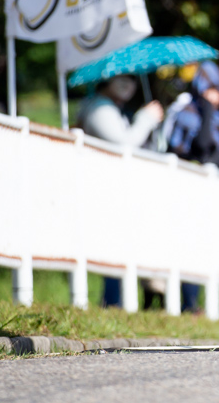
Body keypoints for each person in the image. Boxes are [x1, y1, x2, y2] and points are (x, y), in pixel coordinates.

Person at [75, 74, 163, 307]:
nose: (128, 83)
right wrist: (145, 119)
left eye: (132, 79)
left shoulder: (112, 109)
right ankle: (111, 302)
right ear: (105, 78)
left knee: (119, 247)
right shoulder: (99, 109)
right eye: (120, 78)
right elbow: (124, 145)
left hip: (113, 191)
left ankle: (115, 302)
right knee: (112, 248)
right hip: (103, 190)